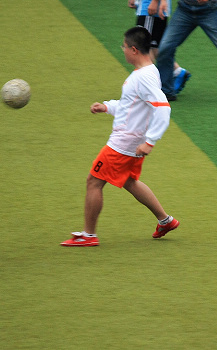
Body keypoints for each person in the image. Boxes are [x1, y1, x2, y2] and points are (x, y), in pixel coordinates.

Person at [61, 26, 178, 246]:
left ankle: (89, 235)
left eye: (124, 46)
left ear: (134, 49)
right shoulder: (147, 72)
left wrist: (150, 142)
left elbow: (163, 108)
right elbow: (131, 106)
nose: (122, 50)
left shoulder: (143, 77)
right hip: (133, 140)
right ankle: (165, 220)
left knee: (94, 181)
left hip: (124, 142)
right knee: (129, 181)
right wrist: (106, 107)